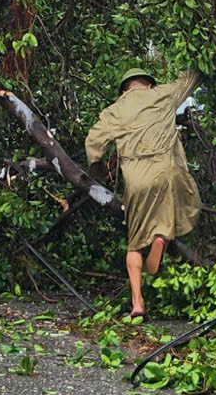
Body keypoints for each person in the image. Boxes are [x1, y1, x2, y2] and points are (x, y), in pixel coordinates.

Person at [83, 66, 200, 321]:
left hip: (137, 177)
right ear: (148, 84)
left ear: (124, 89)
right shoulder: (162, 94)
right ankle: (161, 236)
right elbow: (191, 77)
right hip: (168, 172)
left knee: (134, 242)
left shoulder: (115, 109)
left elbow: (93, 144)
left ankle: (137, 302)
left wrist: (99, 170)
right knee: (170, 209)